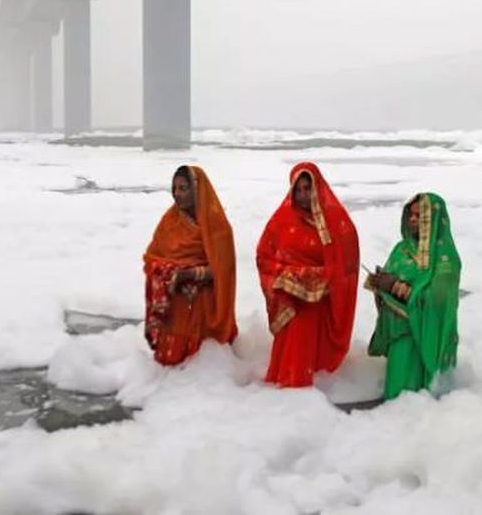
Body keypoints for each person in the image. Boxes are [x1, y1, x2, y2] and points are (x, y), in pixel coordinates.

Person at [256, 162, 359, 387]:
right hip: (292, 302)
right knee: (294, 347)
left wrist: (326, 277)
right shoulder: (280, 221)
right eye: (298, 190)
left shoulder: (336, 222)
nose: (303, 195)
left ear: (317, 188)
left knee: (314, 359)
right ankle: (289, 390)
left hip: (321, 302)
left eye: (307, 189)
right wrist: (290, 276)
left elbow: (348, 263)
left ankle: (312, 390)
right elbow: (264, 256)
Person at [365, 193, 461, 400]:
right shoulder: (402, 249)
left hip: (424, 340)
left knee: (415, 401)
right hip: (400, 337)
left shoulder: (446, 261)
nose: (413, 220)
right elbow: (389, 283)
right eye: (411, 215)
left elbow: (438, 304)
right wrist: (380, 284)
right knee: (396, 397)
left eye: (420, 216)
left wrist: (395, 286)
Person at [143, 165, 237, 365]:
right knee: (171, 364)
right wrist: (166, 271)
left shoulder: (218, 227)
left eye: (183, 188)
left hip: (203, 303)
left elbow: (222, 273)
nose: (177, 194)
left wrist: (190, 274)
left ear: (197, 191)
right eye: (174, 189)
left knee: (199, 362)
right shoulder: (169, 221)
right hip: (174, 302)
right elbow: (151, 257)